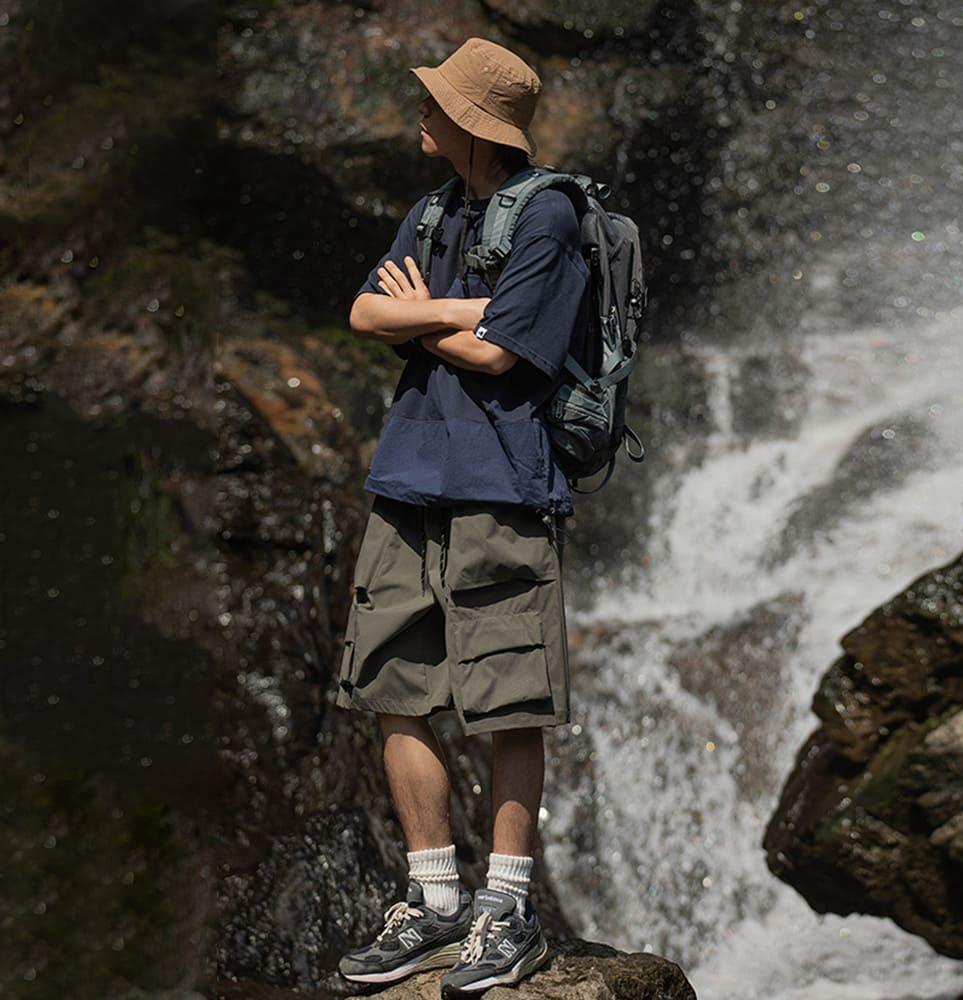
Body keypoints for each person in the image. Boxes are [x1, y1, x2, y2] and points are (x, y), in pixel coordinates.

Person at [335, 36, 590, 996]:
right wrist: (463, 313)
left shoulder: (552, 215)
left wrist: (425, 312)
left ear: (475, 125)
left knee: (508, 698)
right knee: (392, 684)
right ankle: (435, 899)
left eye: (437, 105)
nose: (423, 114)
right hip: (406, 478)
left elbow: (502, 357)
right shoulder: (431, 208)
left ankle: (507, 907)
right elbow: (364, 316)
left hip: (502, 483)